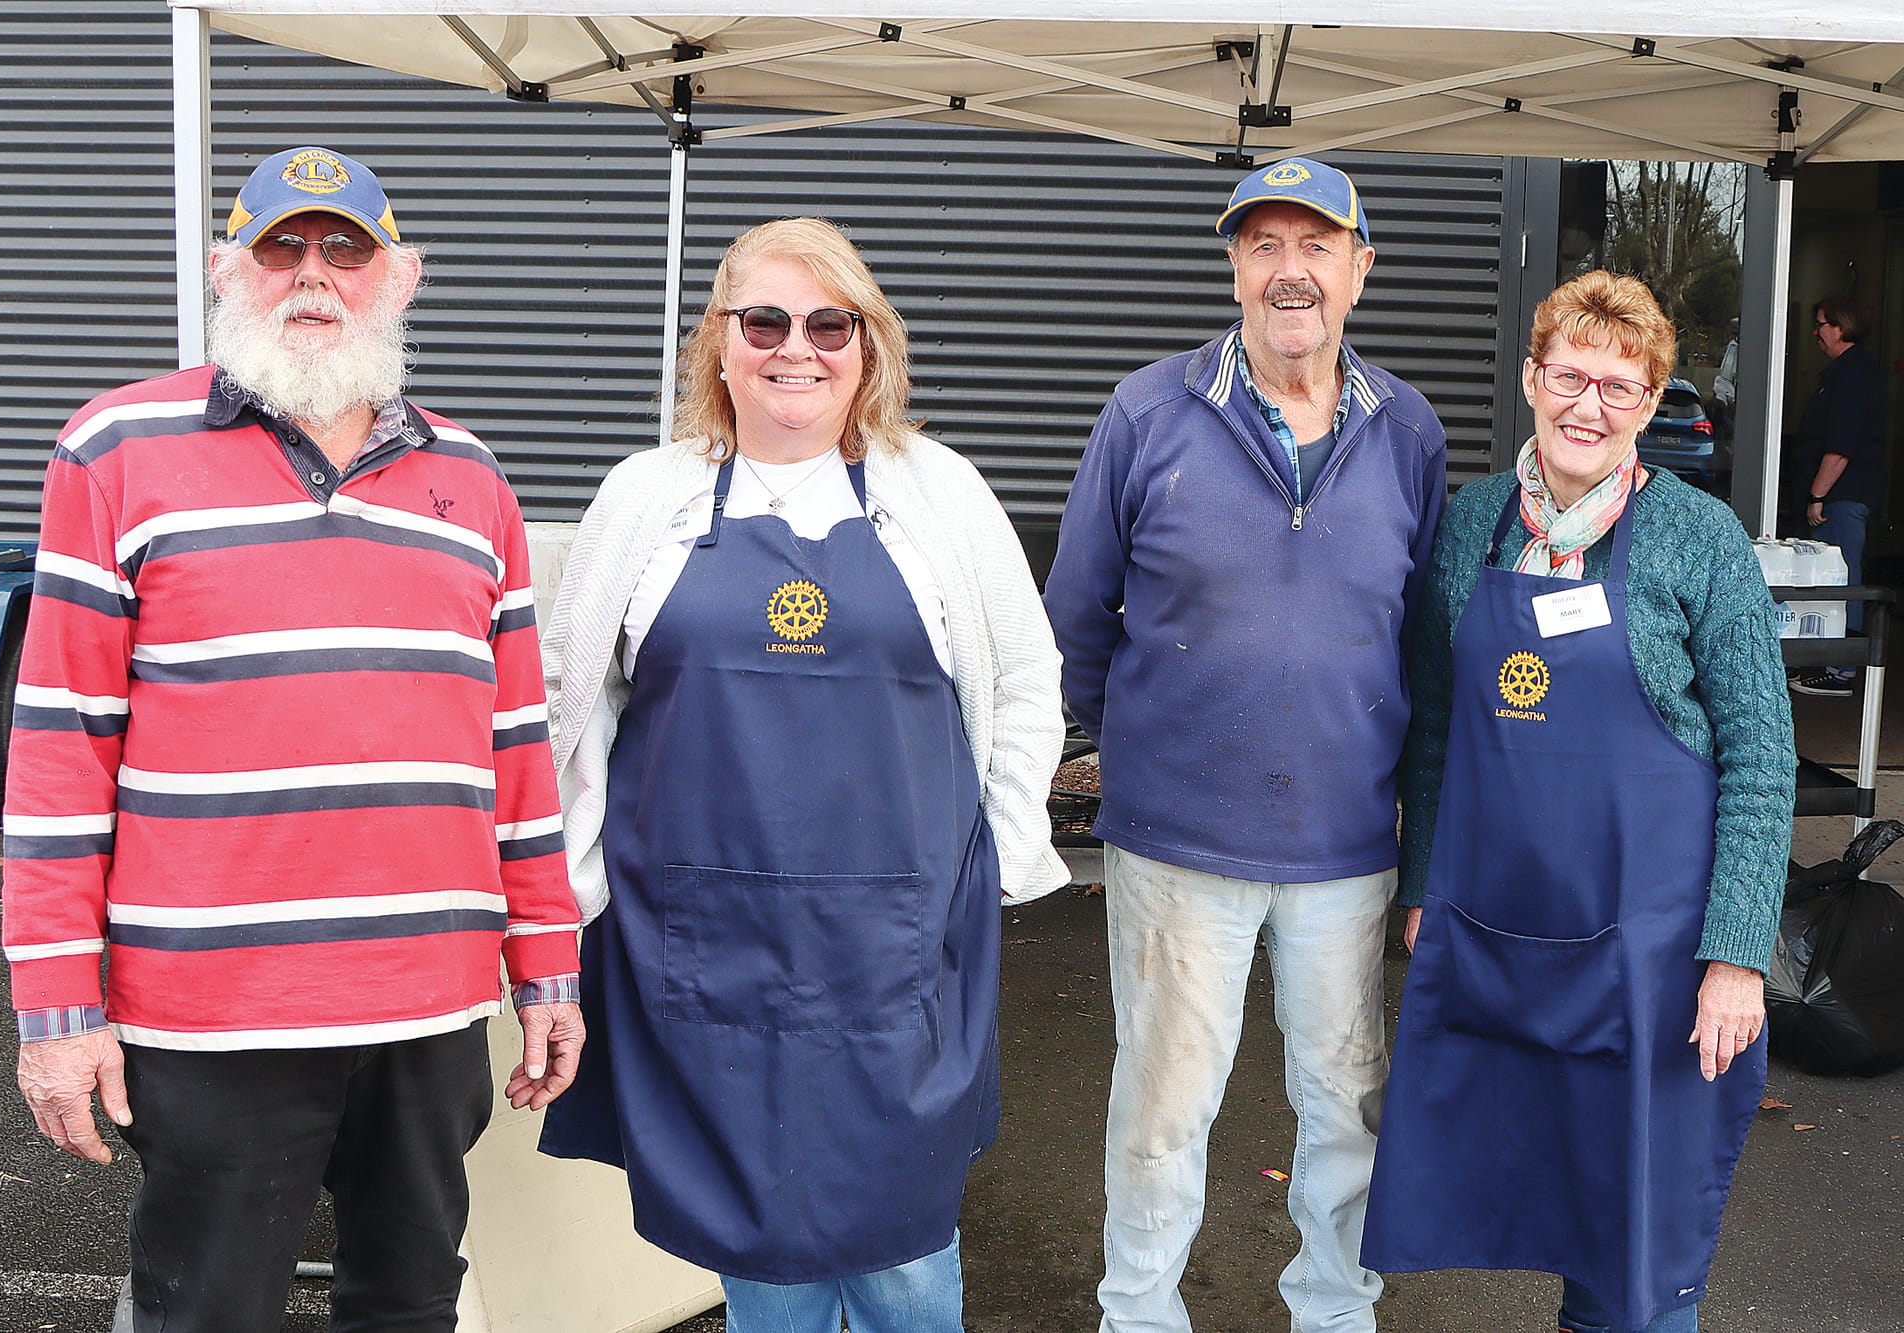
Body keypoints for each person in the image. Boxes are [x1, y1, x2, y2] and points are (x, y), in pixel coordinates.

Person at [0, 146, 586, 1331]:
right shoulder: (115, 450)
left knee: (411, 1302)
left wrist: (547, 965)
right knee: (205, 1310)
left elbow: (516, 748)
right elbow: (60, 747)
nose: (311, 275)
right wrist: (58, 1014)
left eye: (344, 249)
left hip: (427, 1005)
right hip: (212, 1007)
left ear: (400, 277)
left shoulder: (470, 479)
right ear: (229, 270)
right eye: (280, 248)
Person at [534, 216, 1067, 1333]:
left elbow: (1024, 677)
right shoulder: (646, 496)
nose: (797, 348)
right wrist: (573, 894)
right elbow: (568, 707)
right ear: (718, 345)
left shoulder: (938, 491)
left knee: (904, 1251)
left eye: (829, 324)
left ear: (867, 347)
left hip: (892, 948)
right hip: (698, 945)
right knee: (759, 1249)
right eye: (764, 321)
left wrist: (995, 863)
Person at [1045, 158, 1448, 1333]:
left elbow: (1418, 630)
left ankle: (1332, 1309)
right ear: (1232, 267)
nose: (1290, 270)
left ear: (1359, 270)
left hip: (1344, 846)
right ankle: (1140, 1313)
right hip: (1178, 847)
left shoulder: (1405, 429)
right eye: (1263, 244)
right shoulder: (1147, 412)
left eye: (1316, 245)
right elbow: (1076, 614)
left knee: (1346, 1106)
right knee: (1163, 1107)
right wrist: (1144, 752)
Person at [1362, 270, 1795, 1333]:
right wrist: (1423, 887)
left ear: (1649, 404)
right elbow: (1432, 725)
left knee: (1634, 1252)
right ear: (1529, 376)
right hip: (1499, 931)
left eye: (1618, 386)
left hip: (1647, 955)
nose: (1586, 407)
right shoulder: (1469, 525)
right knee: (1532, 1192)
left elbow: (1760, 758)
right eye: (1568, 376)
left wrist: (1736, 954)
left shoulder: (1699, 541)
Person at [1789, 294, 1886, 697]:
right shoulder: (1846, 372)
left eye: (1822, 323)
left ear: (1841, 328)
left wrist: (1817, 495)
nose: (1816, 331)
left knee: (1842, 580)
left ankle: (1842, 669)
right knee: (1830, 579)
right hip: (1840, 495)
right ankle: (1827, 662)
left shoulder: (1851, 375)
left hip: (1841, 497)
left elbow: (1841, 446)